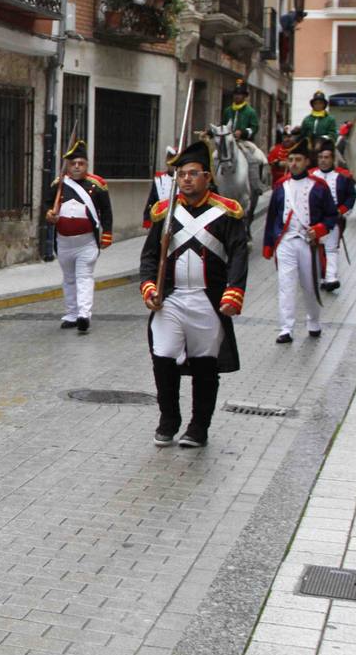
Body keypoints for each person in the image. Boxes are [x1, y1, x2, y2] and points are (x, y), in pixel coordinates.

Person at [139, 141, 247, 448]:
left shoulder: (226, 213)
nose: (186, 179)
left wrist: (233, 291)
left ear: (207, 177)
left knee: (204, 364)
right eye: (182, 174)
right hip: (171, 299)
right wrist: (149, 286)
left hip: (206, 300)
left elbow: (239, 254)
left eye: (193, 173)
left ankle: (199, 427)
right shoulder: (166, 213)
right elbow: (149, 257)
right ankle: (168, 419)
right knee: (163, 355)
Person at [262, 139, 336, 343]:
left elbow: (331, 215)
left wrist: (320, 229)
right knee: (286, 284)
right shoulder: (280, 186)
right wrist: (269, 244)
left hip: (308, 243)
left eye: (298, 160)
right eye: (291, 160)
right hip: (285, 241)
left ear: (306, 162)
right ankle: (286, 328)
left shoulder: (319, 187)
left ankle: (313, 321)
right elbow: (272, 217)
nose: (293, 164)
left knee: (310, 285)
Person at [45, 140, 113, 334]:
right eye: (73, 163)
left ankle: (84, 315)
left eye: (81, 163)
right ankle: (71, 313)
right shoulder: (58, 184)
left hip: (86, 242)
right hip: (64, 241)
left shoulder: (97, 185)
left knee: (84, 276)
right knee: (68, 278)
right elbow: (48, 205)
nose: (76, 166)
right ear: (67, 165)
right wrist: (49, 214)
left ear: (87, 165)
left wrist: (107, 233)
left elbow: (106, 211)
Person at [311, 143, 356, 293]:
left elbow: (351, 195)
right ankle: (319, 277)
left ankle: (331, 277)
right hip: (313, 219)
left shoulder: (343, 176)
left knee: (331, 249)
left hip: (333, 218)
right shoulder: (310, 175)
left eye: (326, 157)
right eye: (320, 157)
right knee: (315, 249)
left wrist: (341, 210)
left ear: (332, 159)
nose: (323, 160)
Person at [221, 82, 269, 184]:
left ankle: (256, 184)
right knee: (215, 157)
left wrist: (243, 133)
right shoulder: (227, 111)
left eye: (240, 94)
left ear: (244, 96)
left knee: (257, 159)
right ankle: (214, 183)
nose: (237, 96)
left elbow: (254, 127)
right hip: (228, 142)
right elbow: (222, 126)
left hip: (244, 142)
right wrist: (209, 133)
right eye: (235, 94)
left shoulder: (250, 111)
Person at [142, 146, 178, 229]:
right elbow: (152, 200)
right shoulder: (159, 179)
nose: (172, 165)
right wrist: (147, 218)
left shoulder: (184, 180)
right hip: (160, 220)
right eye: (170, 160)